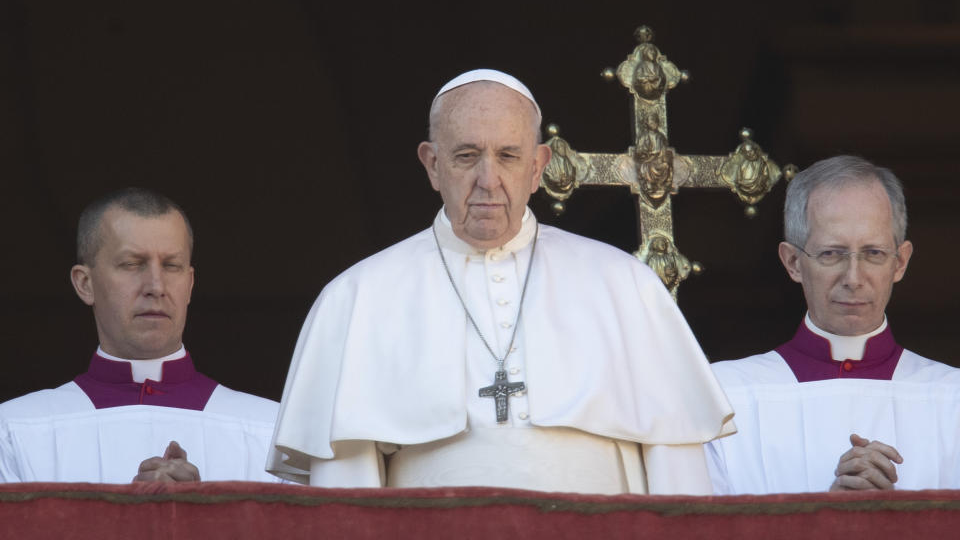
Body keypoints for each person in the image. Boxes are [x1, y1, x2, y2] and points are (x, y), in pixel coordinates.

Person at [268, 69, 734, 494]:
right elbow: (346, 494)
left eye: (508, 156)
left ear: (537, 167)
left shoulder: (625, 285)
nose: (488, 180)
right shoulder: (358, 298)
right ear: (432, 164)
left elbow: (679, 477)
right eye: (466, 156)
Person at [706, 155, 960, 494]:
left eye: (873, 253)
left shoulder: (952, 400)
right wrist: (827, 520)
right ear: (793, 262)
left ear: (899, 262)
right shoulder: (724, 401)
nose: (853, 279)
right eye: (831, 254)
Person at [0, 188, 283, 483]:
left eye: (171, 266)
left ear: (189, 284)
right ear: (85, 284)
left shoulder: (274, 435)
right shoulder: (15, 432)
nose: (156, 286)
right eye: (132, 264)